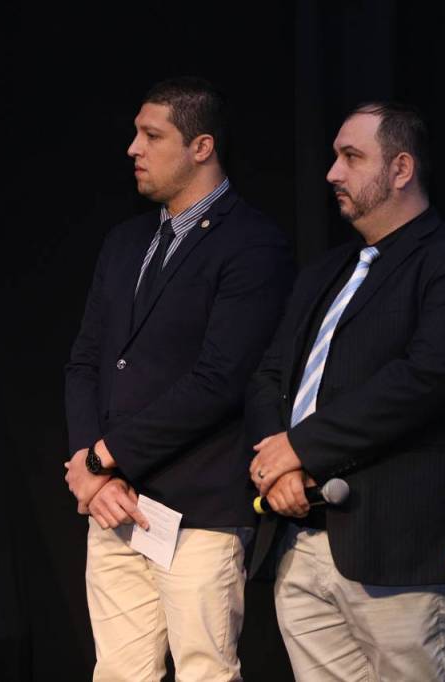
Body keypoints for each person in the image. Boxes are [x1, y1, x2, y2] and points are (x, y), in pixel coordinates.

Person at [245, 102, 445, 681]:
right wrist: (277, 466)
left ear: (401, 168)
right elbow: (269, 376)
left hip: (399, 551)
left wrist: (301, 448)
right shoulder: (324, 272)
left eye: (351, 157)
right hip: (302, 542)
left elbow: (424, 379)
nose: (332, 173)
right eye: (334, 157)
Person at [63, 76, 293, 681]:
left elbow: (219, 380)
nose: (133, 148)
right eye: (136, 134)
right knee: (118, 672)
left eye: (151, 135)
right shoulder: (124, 241)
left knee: (203, 671)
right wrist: (88, 463)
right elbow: (86, 362)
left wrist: (105, 456)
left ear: (201, 146)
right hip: (114, 504)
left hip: (200, 510)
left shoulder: (252, 244)